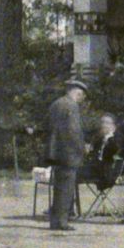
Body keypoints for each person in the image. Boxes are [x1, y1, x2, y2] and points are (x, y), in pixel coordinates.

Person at [45, 78, 88, 231]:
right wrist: (82, 148)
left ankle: (55, 220)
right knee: (66, 188)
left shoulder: (56, 104)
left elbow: (48, 127)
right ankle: (62, 221)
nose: (82, 99)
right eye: (81, 95)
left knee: (58, 187)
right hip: (69, 152)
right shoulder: (71, 106)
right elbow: (73, 131)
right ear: (77, 93)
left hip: (56, 152)